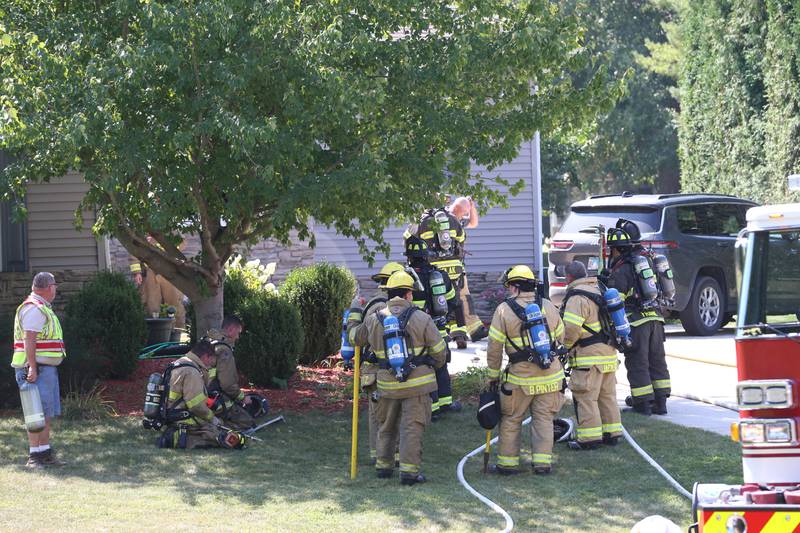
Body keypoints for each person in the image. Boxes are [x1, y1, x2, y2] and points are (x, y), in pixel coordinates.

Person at [352, 271, 447, 485]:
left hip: (386, 384)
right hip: (418, 386)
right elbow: (440, 352)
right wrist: (432, 365)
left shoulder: (375, 319)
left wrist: (353, 316)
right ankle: (409, 473)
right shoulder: (422, 318)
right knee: (411, 427)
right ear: (408, 294)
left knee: (386, 426)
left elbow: (356, 338)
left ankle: (383, 467)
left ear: (388, 293)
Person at [486, 265, 565, 475]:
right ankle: (542, 464)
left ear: (514, 288)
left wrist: (493, 376)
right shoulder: (548, 306)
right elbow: (561, 337)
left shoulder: (504, 310)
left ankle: (507, 465)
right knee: (544, 420)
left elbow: (494, 347)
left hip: (521, 378)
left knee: (511, 419)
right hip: (551, 376)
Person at [602, 220, 670, 416]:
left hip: (636, 322)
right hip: (656, 319)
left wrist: (606, 284)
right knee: (657, 360)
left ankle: (642, 404)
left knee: (637, 362)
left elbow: (618, 300)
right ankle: (661, 402)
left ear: (617, 249)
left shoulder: (622, 269)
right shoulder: (647, 260)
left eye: (612, 249)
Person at [403, 196, 488, 347]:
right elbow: (462, 240)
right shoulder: (453, 220)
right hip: (455, 268)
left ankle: (438, 332)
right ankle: (466, 331)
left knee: (436, 296)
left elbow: (408, 240)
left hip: (434, 268)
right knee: (461, 298)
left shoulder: (420, 221)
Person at [560, 261, 622, 449]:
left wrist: (565, 347)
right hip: (609, 355)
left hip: (589, 358)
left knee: (586, 397)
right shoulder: (600, 289)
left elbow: (571, 330)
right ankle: (612, 434)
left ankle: (589, 439)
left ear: (569, 277)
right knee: (607, 396)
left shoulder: (576, 298)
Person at [347, 261, 404, 463]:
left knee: (381, 415)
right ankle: (384, 455)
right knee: (385, 416)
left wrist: (354, 312)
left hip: (377, 371)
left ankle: (383, 455)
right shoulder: (384, 308)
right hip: (381, 369)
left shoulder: (375, 304)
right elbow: (358, 337)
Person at [404, 235, 464, 418]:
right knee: (441, 365)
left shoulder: (405, 277)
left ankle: (432, 408)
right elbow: (453, 301)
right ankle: (445, 404)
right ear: (426, 255)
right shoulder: (440, 276)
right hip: (438, 330)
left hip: (415, 332)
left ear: (409, 257)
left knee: (421, 367)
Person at [12, 272, 66, 468]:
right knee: (36, 414)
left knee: (45, 413)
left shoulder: (41, 307)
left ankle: (45, 453)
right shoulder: (34, 308)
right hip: (36, 370)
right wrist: (33, 367)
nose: (56, 289)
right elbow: (29, 339)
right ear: (49, 287)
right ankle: (34, 457)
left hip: (45, 370)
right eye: (55, 286)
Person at [158, 338, 245, 449]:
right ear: (205, 357)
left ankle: (175, 434)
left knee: (219, 426)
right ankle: (176, 438)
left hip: (170, 414)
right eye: (211, 361)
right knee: (220, 436)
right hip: (182, 417)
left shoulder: (180, 363)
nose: (209, 366)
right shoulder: (192, 372)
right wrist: (212, 418)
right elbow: (196, 406)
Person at [206, 315, 261, 430]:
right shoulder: (224, 350)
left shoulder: (208, 342)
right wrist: (242, 398)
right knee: (247, 422)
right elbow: (227, 384)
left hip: (200, 395)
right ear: (231, 329)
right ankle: (214, 425)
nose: (238, 337)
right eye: (238, 333)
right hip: (211, 398)